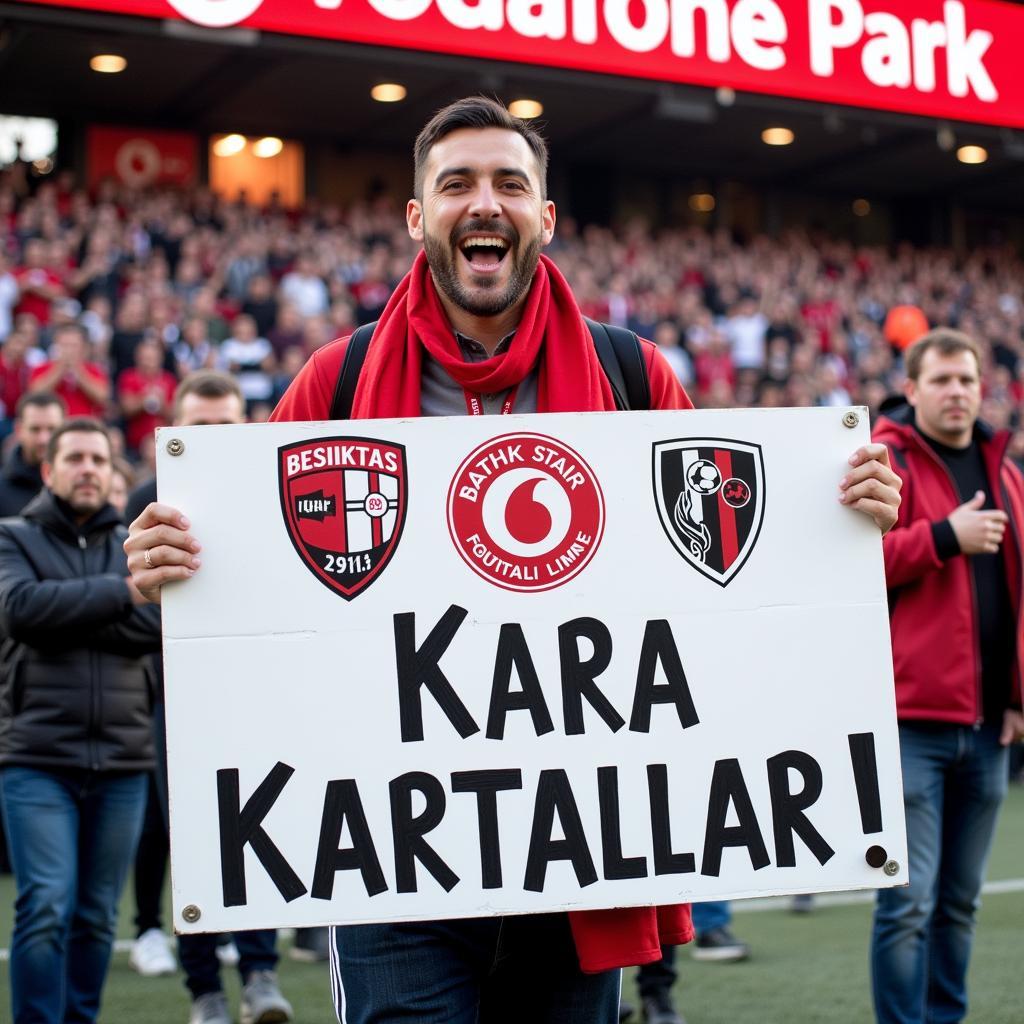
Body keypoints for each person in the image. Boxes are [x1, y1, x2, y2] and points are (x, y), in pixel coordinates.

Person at [125, 97, 903, 1024]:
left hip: (584, 863)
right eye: (456, 184)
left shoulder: (633, 376)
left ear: (546, 217)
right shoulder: (332, 381)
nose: (484, 203)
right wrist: (168, 571)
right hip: (389, 868)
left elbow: (723, 571)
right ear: (418, 217)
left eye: (510, 184)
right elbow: (250, 595)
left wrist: (838, 518)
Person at [125, 371, 294, 1024]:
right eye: (200, 427)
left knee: (262, 833)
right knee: (195, 844)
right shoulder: (146, 501)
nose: (215, 439)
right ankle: (204, 992)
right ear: (173, 430)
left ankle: (259, 973)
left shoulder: (273, 493)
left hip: (261, 697)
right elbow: (130, 608)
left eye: (228, 425)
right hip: (179, 703)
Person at [870, 328, 1024, 1024]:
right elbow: (851, 572)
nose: (957, 392)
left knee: (960, 904)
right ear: (912, 389)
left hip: (991, 728)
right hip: (910, 723)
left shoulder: (1008, 472)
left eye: (966, 379)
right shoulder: (878, 462)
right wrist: (942, 539)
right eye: (941, 380)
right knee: (907, 904)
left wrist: (1019, 697)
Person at [0, 418, 161, 1024]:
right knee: (45, 904)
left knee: (96, 914)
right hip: (36, 758)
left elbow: (160, 629)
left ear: (115, 473)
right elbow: (21, 611)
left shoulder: (136, 539)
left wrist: (71, 607)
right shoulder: (11, 537)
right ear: (49, 469)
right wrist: (124, 591)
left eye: (99, 458)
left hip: (124, 758)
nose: (88, 468)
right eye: (75, 458)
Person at [0, 392, 65, 516]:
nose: (44, 439)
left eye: (52, 429)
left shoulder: (78, 485)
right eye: (35, 429)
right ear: (19, 430)